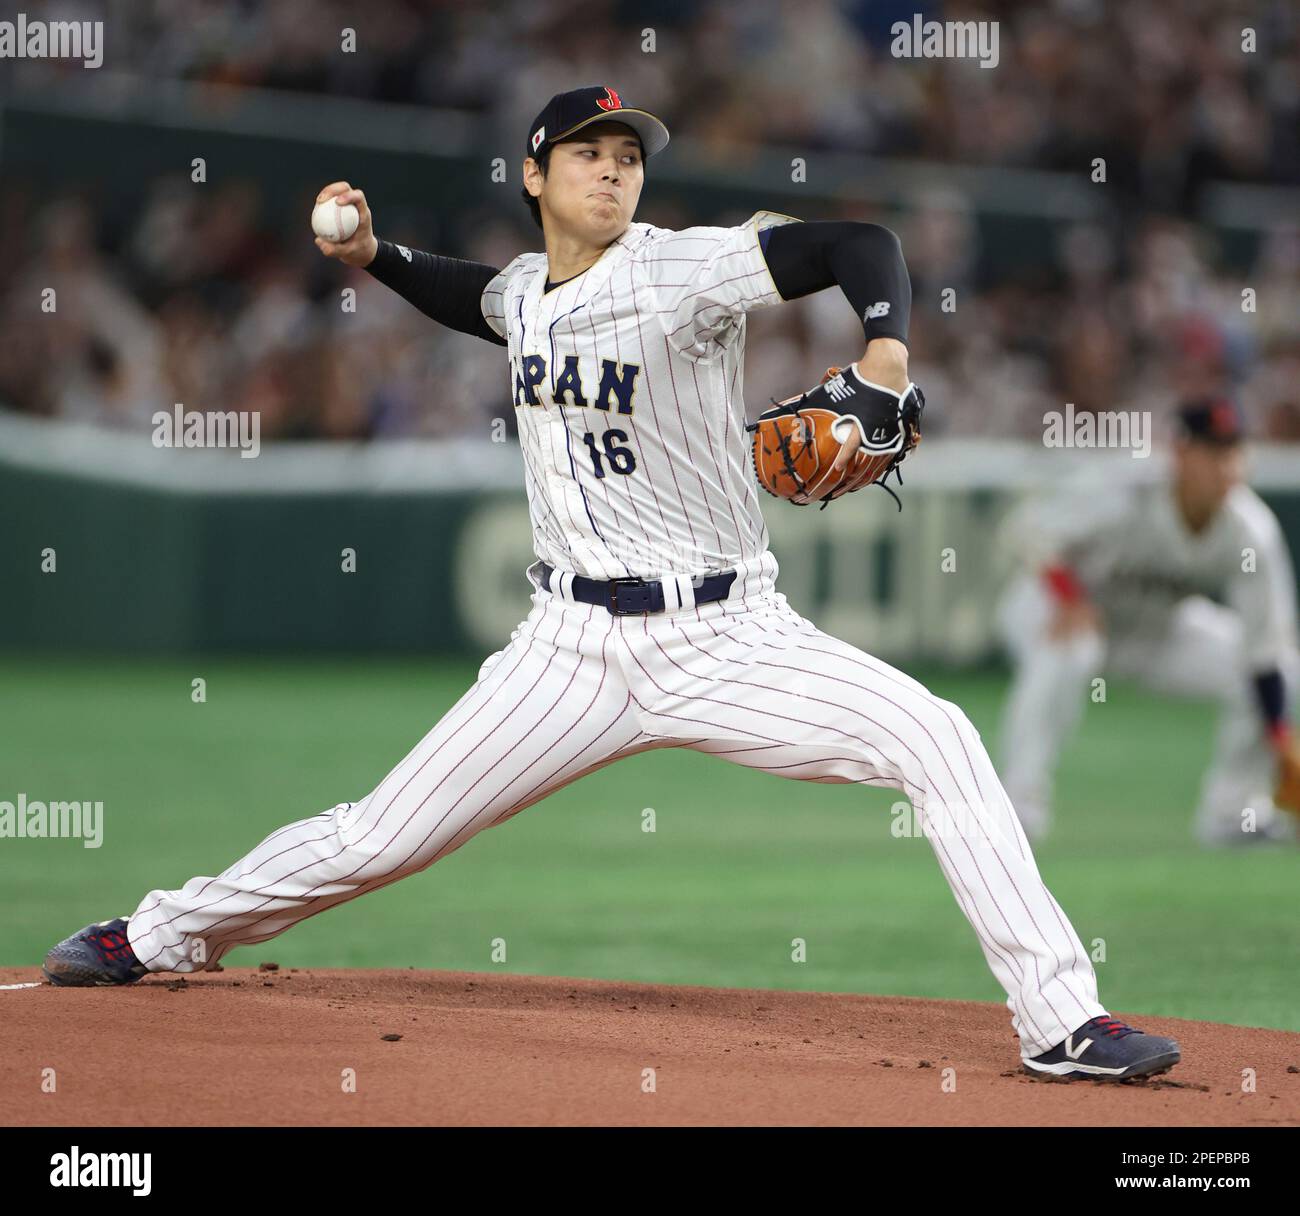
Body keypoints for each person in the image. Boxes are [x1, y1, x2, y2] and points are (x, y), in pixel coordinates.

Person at [43, 87, 1179, 1082]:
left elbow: (856, 243)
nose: (613, 169)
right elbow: (479, 296)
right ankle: (160, 934)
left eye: (628, 155)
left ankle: (1059, 1018)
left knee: (937, 738)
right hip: (564, 652)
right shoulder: (530, 291)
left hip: (730, 637)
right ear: (533, 174)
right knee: (375, 837)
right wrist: (375, 258)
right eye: (588, 152)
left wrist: (884, 352)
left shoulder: (683, 268)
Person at [997, 397, 1300, 845]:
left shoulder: (1250, 529)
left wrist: (1280, 737)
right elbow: (1027, 529)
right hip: (1057, 608)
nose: (1225, 465)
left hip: (1154, 632)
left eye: (1233, 451)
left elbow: (1264, 647)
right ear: (1180, 453)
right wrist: (1068, 594)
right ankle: (1016, 810)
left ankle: (1232, 814)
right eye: (1212, 451)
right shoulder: (1126, 488)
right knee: (1070, 653)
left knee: (1287, 672)